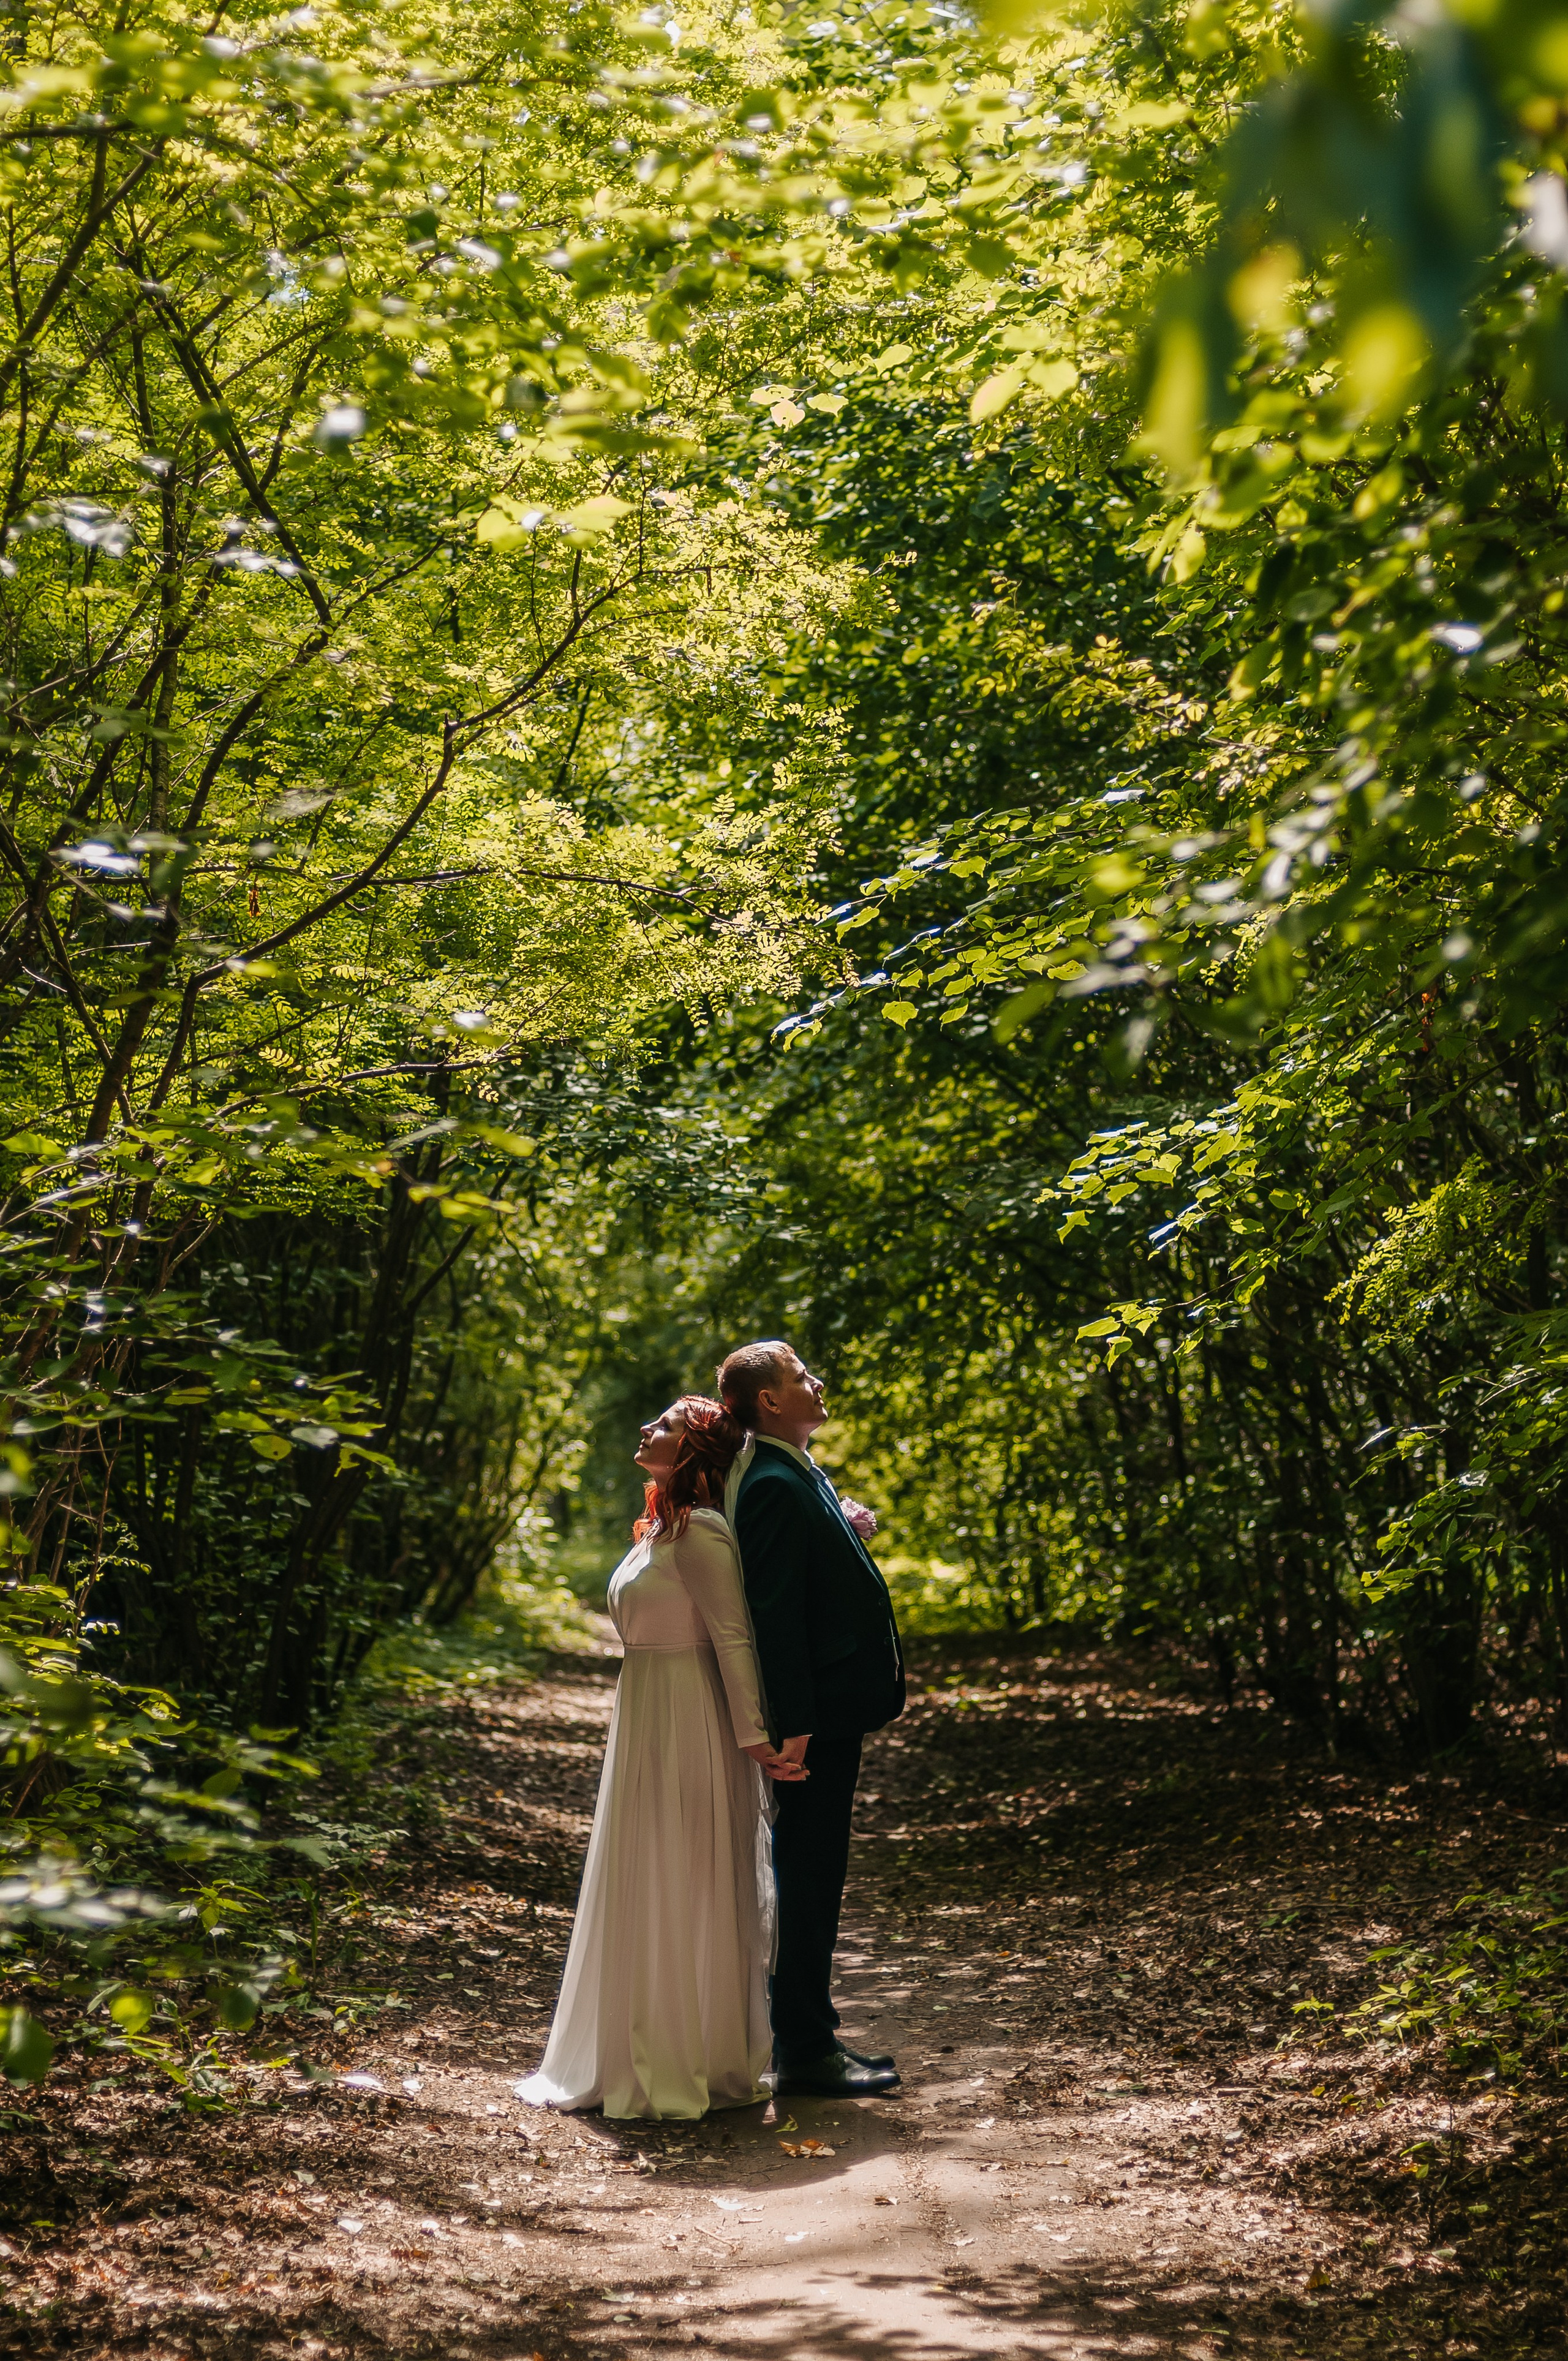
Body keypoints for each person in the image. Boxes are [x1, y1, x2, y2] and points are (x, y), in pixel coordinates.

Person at [519, 1396, 804, 2121]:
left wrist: (755, 1737)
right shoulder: (659, 1529)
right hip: (644, 1707)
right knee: (644, 1872)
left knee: (686, 1874)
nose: (646, 1429)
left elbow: (733, 1638)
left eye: (665, 1426)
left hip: (691, 1718)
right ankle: (628, 2049)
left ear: (696, 1451)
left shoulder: (704, 1531)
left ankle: (689, 2061)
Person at [717, 1341, 906, 2099]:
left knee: (817, 1870)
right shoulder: (768, 1481)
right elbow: (774, 1614)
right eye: (800, 1377)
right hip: (815, 1720)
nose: (816, 1383)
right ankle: (803, 2046)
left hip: (830, 1710)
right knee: (809, 1873)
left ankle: (809, 2034)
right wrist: (792, 1719)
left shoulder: (798, 1471)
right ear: (768, 1400)